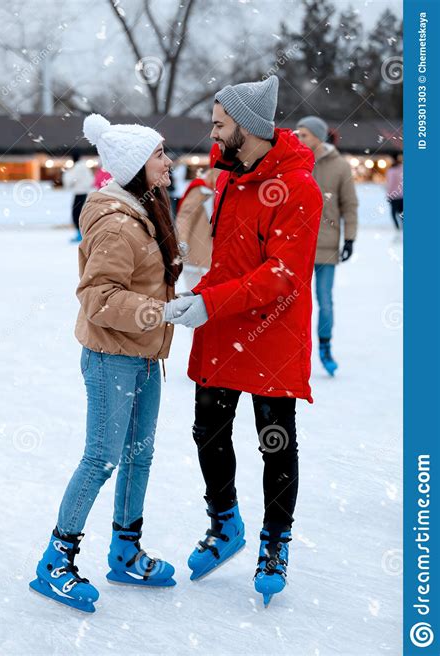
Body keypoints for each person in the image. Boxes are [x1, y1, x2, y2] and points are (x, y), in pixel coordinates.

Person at [30, 114, 193, 613]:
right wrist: (159, 311)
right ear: (137, 166)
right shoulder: (118, 223)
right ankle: (56, 561)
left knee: (140, 454)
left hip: (145, 355)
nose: (168, 164)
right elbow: (98, 298)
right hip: (111, 357)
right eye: (160, 156)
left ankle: (125, 549)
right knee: (102, 456)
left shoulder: (149, 210)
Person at [171, 76, 323, 606]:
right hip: (223, 325)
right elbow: (229, 259)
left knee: (274, 441)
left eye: (219, 123)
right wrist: (197, 296)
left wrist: (213, 301)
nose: (212, 133)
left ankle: (275, 541)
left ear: (248, 128)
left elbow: (283, 275)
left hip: (273, 333)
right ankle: (225, 522)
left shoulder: (298, 188)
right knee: (207, 429)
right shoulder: (231, 176)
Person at [296, 116, 358, 376]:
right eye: (297, 134)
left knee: (324, 300)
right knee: (293, 302)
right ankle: (297, 351)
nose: (299, 139)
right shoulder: (295, 162)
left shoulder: (340, 166)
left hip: (326, 245)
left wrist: (350, 238)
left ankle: (324, 346)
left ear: (318, 137)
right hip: (297, 246)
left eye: (304, 135)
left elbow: (349, 204)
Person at [176, 166, 219, 290]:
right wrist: (182, 243)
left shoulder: (222, 191)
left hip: (214, 259)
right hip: (197, 257)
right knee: (195, 295)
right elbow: (184, 218)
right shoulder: (200, 189)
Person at [62, 151, 94, 242]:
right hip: (84, 192)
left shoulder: (77, 167)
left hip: (79, 193)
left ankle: (80, 234)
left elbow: (69, 180)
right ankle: (81, 233)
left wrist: (66, 173)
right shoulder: (85, 167)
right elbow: (91, 179)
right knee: (80, 213)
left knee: (76, 214)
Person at [385, 152, 403, 232]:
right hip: (402, 195)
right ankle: (402, 227)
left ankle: (397, 228)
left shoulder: (391, 170)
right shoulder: (402, 168)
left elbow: (390, 184)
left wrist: (389, 195)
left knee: (394, 213)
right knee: (401, 212)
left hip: (394, 196)